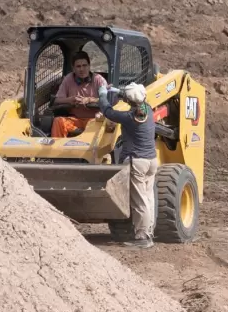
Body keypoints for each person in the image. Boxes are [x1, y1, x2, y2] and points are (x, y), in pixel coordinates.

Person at [98, 82, 158, 249]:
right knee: (148, 197)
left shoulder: (130, 118)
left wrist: (102, 94)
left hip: (137, 161)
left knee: (139, 201)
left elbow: (108, 112)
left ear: (129, 101)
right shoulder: (148, 109)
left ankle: (142, 237)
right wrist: (118, 91)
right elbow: (134, 98)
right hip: (151, 161)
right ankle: (148, 232)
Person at [51, 51, 106, 138]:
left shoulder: (98, 79)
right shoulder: (68, 79)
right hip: (76, 120)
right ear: (73, 68)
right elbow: (57, 100)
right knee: (58, 121)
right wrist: (69, 100)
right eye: (78, 66)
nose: (82, 69)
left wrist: (89, 100)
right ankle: (57, 146)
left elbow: (108, 100)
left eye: (84, 65)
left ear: (89, 66)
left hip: (95, 120)